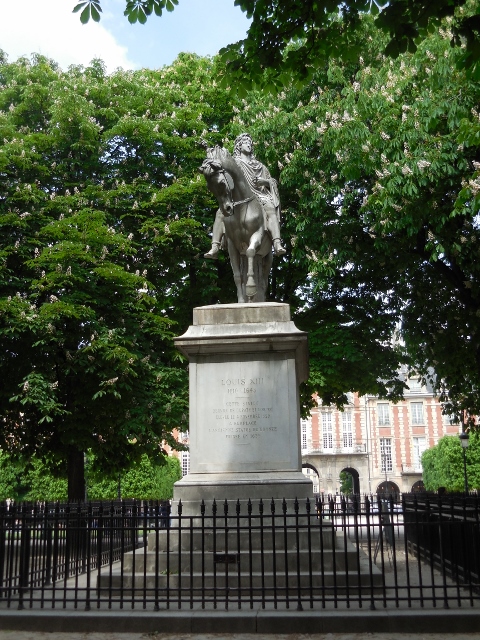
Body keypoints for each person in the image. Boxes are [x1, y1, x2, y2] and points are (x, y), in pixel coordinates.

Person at [204, 133, 286, 259]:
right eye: (245, 142)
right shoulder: (235, 163)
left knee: (270, 208)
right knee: (220, 213)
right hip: (239, 197)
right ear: (239, 146)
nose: (249, 145)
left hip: (259, 195)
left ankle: (277, 242)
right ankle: (215, 246)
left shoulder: (260, 166)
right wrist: (207, 150)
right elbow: (222, 174)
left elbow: (272, 182)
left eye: (250, 143)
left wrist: (264, 182)